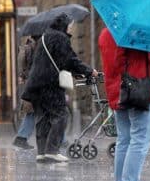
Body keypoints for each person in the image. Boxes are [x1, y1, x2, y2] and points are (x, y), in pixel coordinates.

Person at [22, 14, 97, 164]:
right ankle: (52, 151)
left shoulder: (45, 37)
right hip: (50, 83)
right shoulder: (60, 38)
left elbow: (59, 60)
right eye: (70, 24)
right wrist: (88, 71)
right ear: (64, 25)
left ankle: (42, 152)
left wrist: (75, 72)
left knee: (43, 118)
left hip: (36, 83)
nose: (71, 27)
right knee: (61, 114)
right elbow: (70, 59)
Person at [99, 27, 150, 181]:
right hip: (138, 89)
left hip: (118, 91)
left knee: (124, 139)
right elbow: (129, 61)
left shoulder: (106, 33)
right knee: (141, 138)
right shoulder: (133, 32)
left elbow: (115, 62)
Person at [12, 36, 39, 150]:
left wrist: (23, 76)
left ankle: (21, 138)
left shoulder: (27, 46)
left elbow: (25, 66)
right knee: (52, 110)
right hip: (37, 82)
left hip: (32, 82)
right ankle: (61, 140)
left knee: (32, 112)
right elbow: (35, 66)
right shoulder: (36, 47)